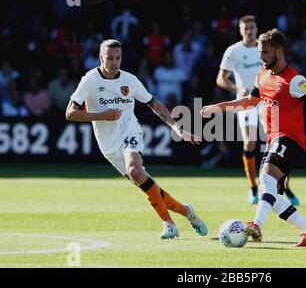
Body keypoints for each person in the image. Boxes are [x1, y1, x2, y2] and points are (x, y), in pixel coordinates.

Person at [202, 29, 306, 247]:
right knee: (270, 195)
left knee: (265, 177)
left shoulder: (295, 80)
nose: (261, 56)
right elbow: (249, 102)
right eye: (259, 52)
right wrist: (219, 107)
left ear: (279, 51)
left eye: (265, 52)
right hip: (274, 139)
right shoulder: (262, 75)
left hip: (291, 139)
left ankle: (256, 224)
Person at [66, 39, 208, 239]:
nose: (114, 62)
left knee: (135, 170)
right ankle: (187, 211)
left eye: (118, 58)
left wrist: (176, 128)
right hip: (108, 145)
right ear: (100, 58)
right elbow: (70, 113)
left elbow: (155, 104)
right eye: (109, 58)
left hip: (130, 132)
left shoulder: (129, 80)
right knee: (143, 181)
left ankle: (169, 225)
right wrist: (101, 116)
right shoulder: (90, 80)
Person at [216, 15, 299, 206]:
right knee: (250, 143)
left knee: (280, 143)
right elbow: (221, 79)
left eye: (252, 28)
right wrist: (237, 89)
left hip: (269, 100)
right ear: (240, 31)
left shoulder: (266, 48)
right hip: (248, 100)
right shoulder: (233, 51)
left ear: (256, 28)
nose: (249, 31)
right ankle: (253, 186)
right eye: (245, 29)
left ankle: (283, 187)